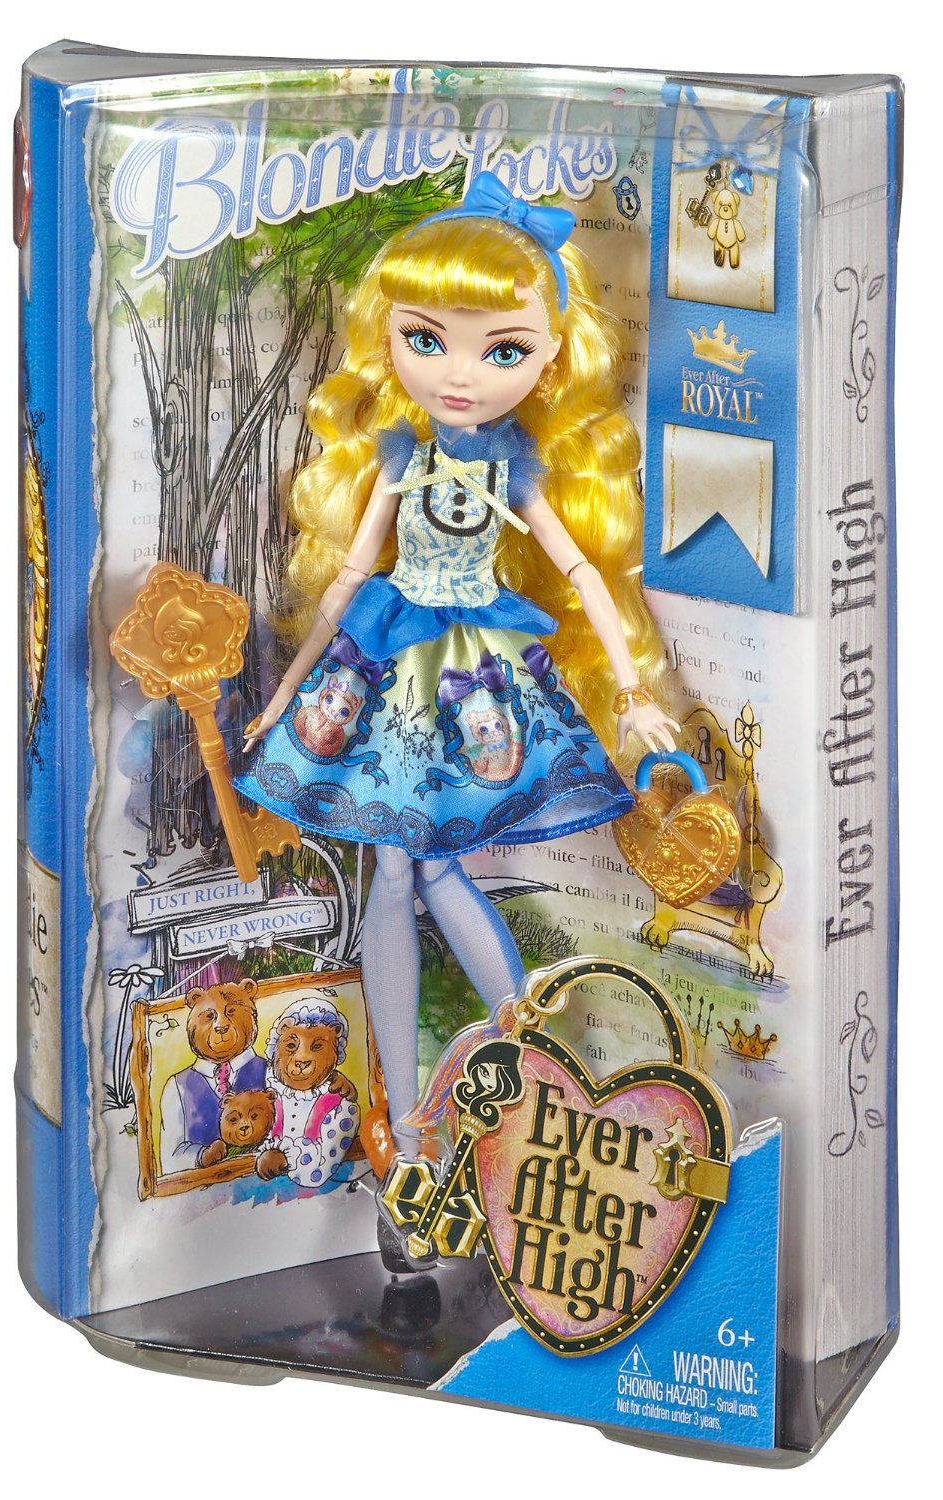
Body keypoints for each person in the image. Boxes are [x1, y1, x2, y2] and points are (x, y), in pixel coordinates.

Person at [235, 172, 677, 1152]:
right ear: (389, 336)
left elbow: (580, 569)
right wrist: (287, 690)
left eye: (503, 348)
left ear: (551, 358)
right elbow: (351, 575)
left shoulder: (513, 464)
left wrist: (634, 692)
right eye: (425, 339)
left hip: (473, 669)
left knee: (421, 868)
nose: (459, 374)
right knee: (402, 871)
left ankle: (518, 1055)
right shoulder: (401, 453)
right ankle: (412, 1105)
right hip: (388, 661)